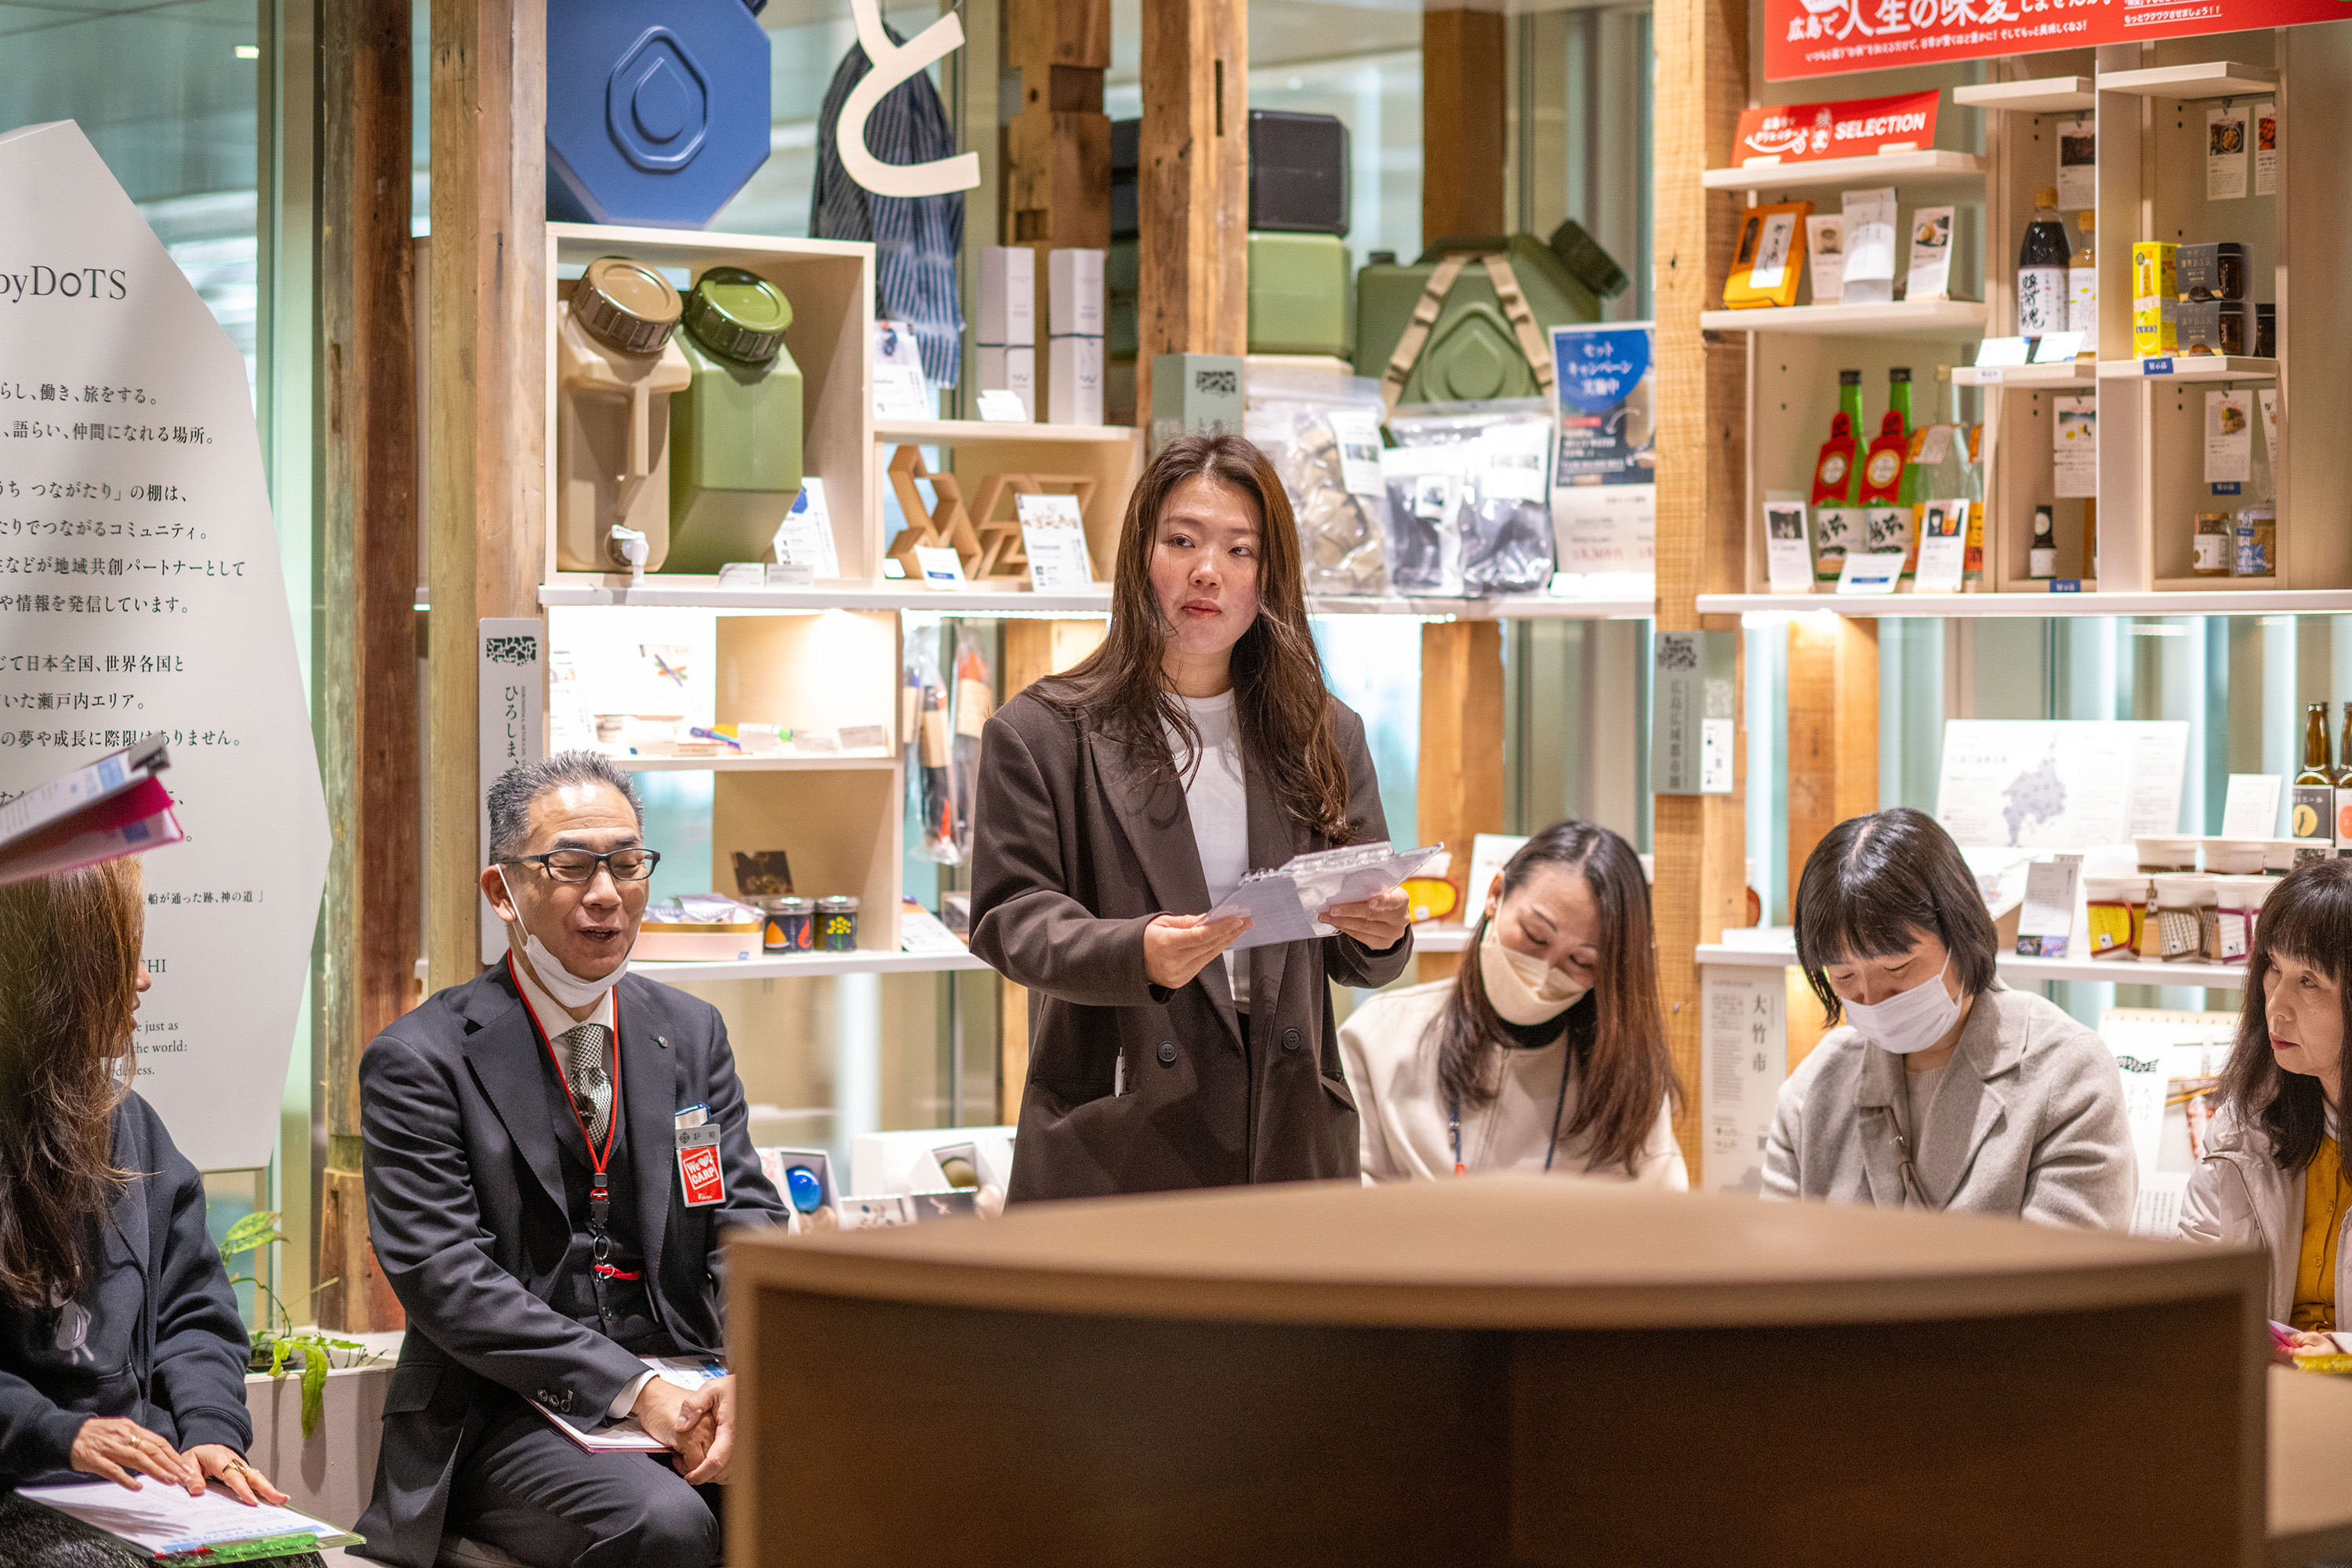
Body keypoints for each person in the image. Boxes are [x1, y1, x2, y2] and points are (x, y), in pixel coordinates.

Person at [353, 753, 786, 1568]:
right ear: (502, 891)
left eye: (626, 863)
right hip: (505, 1410)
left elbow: (744, 1219)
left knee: (842, 1473)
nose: (606, 893)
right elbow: (447, 1277)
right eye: (573, 866)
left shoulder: (691, 1032)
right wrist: (636, 1389)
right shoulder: (421, 1059)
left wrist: (752, 1373)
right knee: (667, 1522)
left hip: (689, 1377)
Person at [970, 433, 1414, 1199]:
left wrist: (1383, 930)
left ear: (1269, 577)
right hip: (1121, 1135)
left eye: (1241, 550)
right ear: (1140, 555)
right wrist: (1135, 951)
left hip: (1287, 1135)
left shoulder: (1324, 731)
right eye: (1182, 541)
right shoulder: (1042, 731)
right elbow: (1010, 917)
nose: (1209, 570)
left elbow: (1359, 955)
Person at [0, 861, 311, 1568]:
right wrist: (58, 1433)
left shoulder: (132, 1127)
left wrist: (211, 1431)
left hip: (142, 1481)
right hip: (23, 1476)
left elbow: (196, 1313)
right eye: (122, 957)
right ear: (59, 972)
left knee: (285, 1555)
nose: (143, 980)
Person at [1762, 808, 2133, 1227]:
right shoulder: (1816, 1086)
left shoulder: (2068, 1073)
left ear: (1961, 933)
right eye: (1844, 976)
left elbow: (2067, 1265)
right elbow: (1775, 1255)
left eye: (1897, 967)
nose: (1873, 999)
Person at [1341, 820, 1686, 1185]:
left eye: (1582, 962)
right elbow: (1338, 1193)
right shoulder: (1379, 1037)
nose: (1544, 971)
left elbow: (1661, 1207)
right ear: (1495, 895)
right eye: (1535, 936)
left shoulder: (1627, 1082)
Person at [2181, 858, 2352, 1343]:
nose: (2275, 1006)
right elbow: (2195, 1282)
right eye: (2273, 967)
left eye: (2309, 981)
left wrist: (2339, 1351)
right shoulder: (2244, 1121)